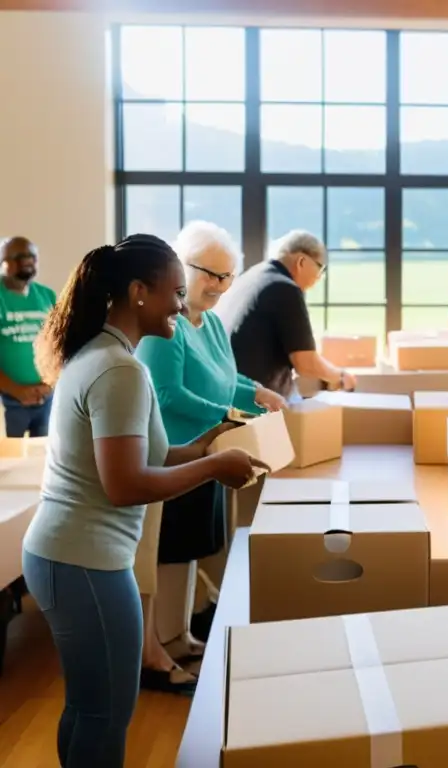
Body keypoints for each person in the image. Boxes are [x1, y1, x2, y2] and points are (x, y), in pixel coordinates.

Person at [22, 234, 268, 768]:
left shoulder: (104, 355)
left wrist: (205, 446)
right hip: (84, 561)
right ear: (138, 292)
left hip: (68, 555)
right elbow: (127, 484)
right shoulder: (121, 370)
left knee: (87, 709)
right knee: (105, 715)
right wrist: (214, 468)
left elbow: (152, 455)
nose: (183, 306)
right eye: (175, 292)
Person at [134, 222, 287, 695]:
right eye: (211, 275)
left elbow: (226, 378)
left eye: (228, 276)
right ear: (182, 267)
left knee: (197, 547)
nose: (220, 286)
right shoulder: (168, 325)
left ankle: (180, 636)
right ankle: (160, 642)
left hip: (214, 450)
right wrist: (229, 414)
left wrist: (256, 391)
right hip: (177, 455)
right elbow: (168, 394)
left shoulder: (213, 323)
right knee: (171, 552)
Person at [214, 230, 355, 396]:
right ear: (301, 262)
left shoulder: (251, 277)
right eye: (320, 268)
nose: (319, 278)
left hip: (223, 391)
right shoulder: (285, 288)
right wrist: (340, 376)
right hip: (252, 403)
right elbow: (306, 364)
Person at [0, 236, 57, 437]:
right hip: (7, 399)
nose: (27, 260)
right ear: (3, 260)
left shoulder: (48, 296)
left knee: (41, 458)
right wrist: (15, 390)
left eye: (32, 256)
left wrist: (50, 383)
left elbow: (59, 345)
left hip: (45, 397)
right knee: (10, 463)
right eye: (20, 256)